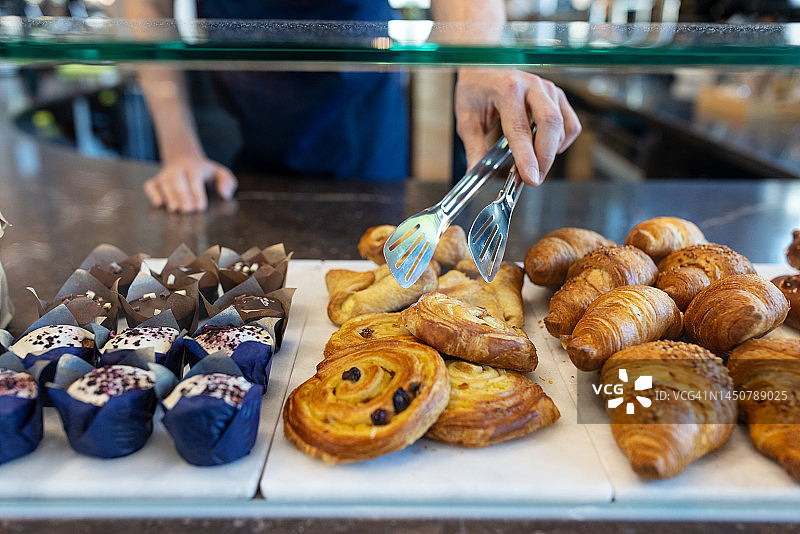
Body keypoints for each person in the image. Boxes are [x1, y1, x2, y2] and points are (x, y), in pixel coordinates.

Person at [125, 0, 582, 213]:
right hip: (238, 121)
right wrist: (179, 148)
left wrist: (478, 60)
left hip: (361, 117)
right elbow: (146, 5)